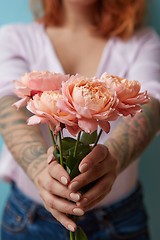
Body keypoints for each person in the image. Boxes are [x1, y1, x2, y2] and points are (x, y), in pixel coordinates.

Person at [0, 0, 160, 239]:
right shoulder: (16, 37)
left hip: (120, 221)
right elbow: (9, 103)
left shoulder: (141, 41)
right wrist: (39, 172)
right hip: (30, 220)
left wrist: (112, 160)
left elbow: (152, 102)